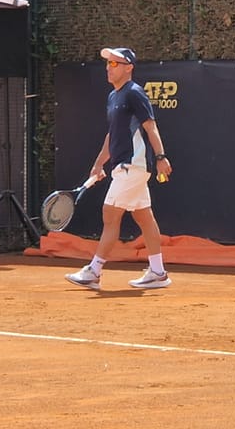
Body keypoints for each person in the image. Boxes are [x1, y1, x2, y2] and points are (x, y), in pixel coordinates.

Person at [65, 47, 174, 290]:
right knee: (144, 217)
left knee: (110, 214)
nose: (108, 67)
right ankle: (158, 272)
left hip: (132, 165)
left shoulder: (135, 93)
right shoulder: (113, 96)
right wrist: (98, 164)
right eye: (107, 63)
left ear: (128, 67)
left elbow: (150, 127)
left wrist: (161, 156)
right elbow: (112, 135)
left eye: (114, 64)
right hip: (122, 166)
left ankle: (94, 271)